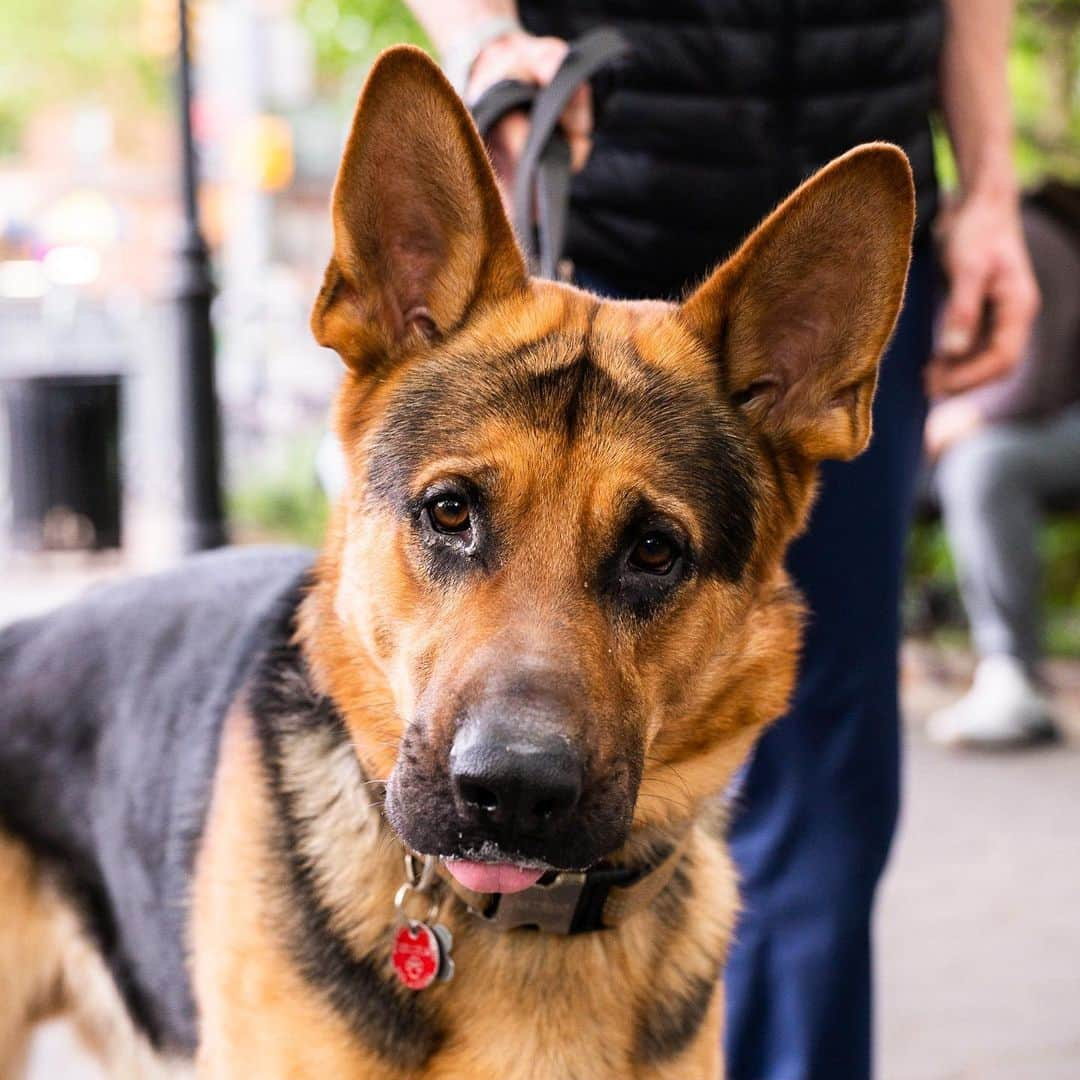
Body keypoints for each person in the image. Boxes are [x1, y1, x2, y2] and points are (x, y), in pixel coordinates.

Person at [405, 2, 1039, 1076]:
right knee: (508, 740)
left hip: (830, 262)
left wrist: (990, 187)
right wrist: (480, 34)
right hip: (607, 185)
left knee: (827, 787)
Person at [926, 185, 1080, 749]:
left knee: (982, 464)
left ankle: (1012, 673)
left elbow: (1035, 381)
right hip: (1036, 420)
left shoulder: (1025, 239)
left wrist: (960, 418)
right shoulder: (936, 270)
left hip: (1062, 416)